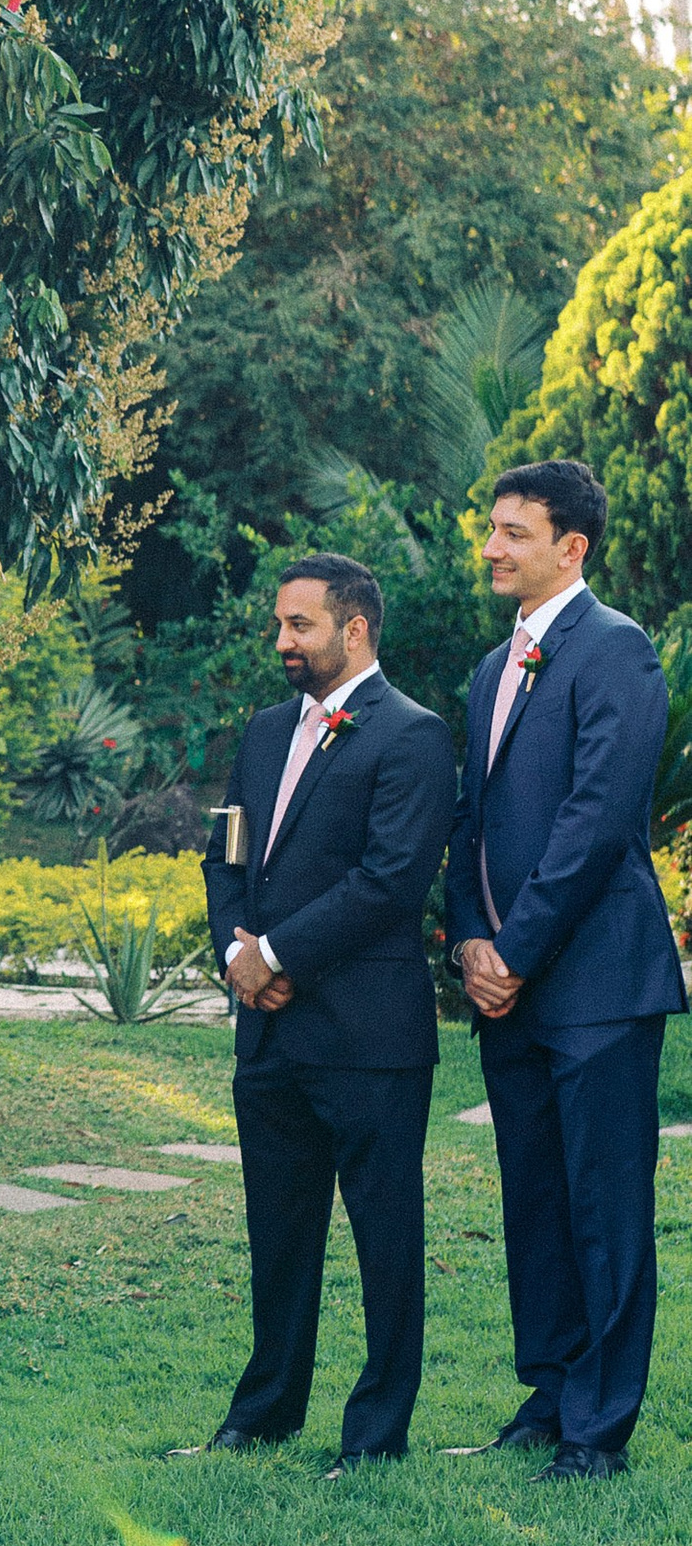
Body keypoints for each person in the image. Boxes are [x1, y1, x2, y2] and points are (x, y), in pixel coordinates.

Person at [179, 556, 455, 1474]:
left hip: (368, 1034)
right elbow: (226, 855)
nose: (282, 644)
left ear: (355, 629)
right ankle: (264, 1412)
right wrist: (235, 957)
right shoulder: (262, 734)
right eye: (280, 626)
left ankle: (375, 1436)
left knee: (385, 1239)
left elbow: (390, 882)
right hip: (268, 1033)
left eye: (300, 626)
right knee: (279, 1231)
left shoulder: (414, 737)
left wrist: (279, 955)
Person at [445, 460, 686, 1478]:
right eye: (492, 530)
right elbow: (472, 820)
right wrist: (466, 939)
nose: (492, 547)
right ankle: (547, 1395)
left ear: (569, 547)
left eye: (513, 531)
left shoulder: (616, 653)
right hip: (508, 990)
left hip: (594, 983)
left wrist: (517, 950)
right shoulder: (488, 672)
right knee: (534, 1200)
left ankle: (598, 1430)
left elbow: (594, 825)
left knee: (603, 1205)